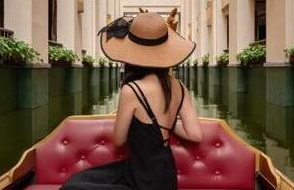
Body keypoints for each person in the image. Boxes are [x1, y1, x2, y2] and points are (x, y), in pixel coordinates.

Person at [60, 12, 203, 190]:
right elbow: (196, 135)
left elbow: (118, 140)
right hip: (164, 174)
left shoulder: (132, 90)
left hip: (143, 179)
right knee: (80, 180)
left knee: (73, 186)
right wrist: (167, 122)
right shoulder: (180, 86)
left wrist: (151, 123)